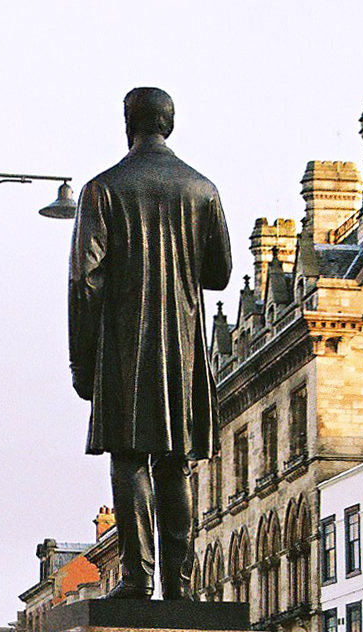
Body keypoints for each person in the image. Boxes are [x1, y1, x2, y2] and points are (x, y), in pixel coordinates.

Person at [68, 87, 233, 601]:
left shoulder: (102, 190)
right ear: (171, 125)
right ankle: (179, 588)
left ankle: (137, 580)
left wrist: (82, 361)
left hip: (123, 347)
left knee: (129, 458)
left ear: (127, 124)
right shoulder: (202, 190)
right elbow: (221, 273)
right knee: (175, 461)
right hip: (182, 348)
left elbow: (83, 282)